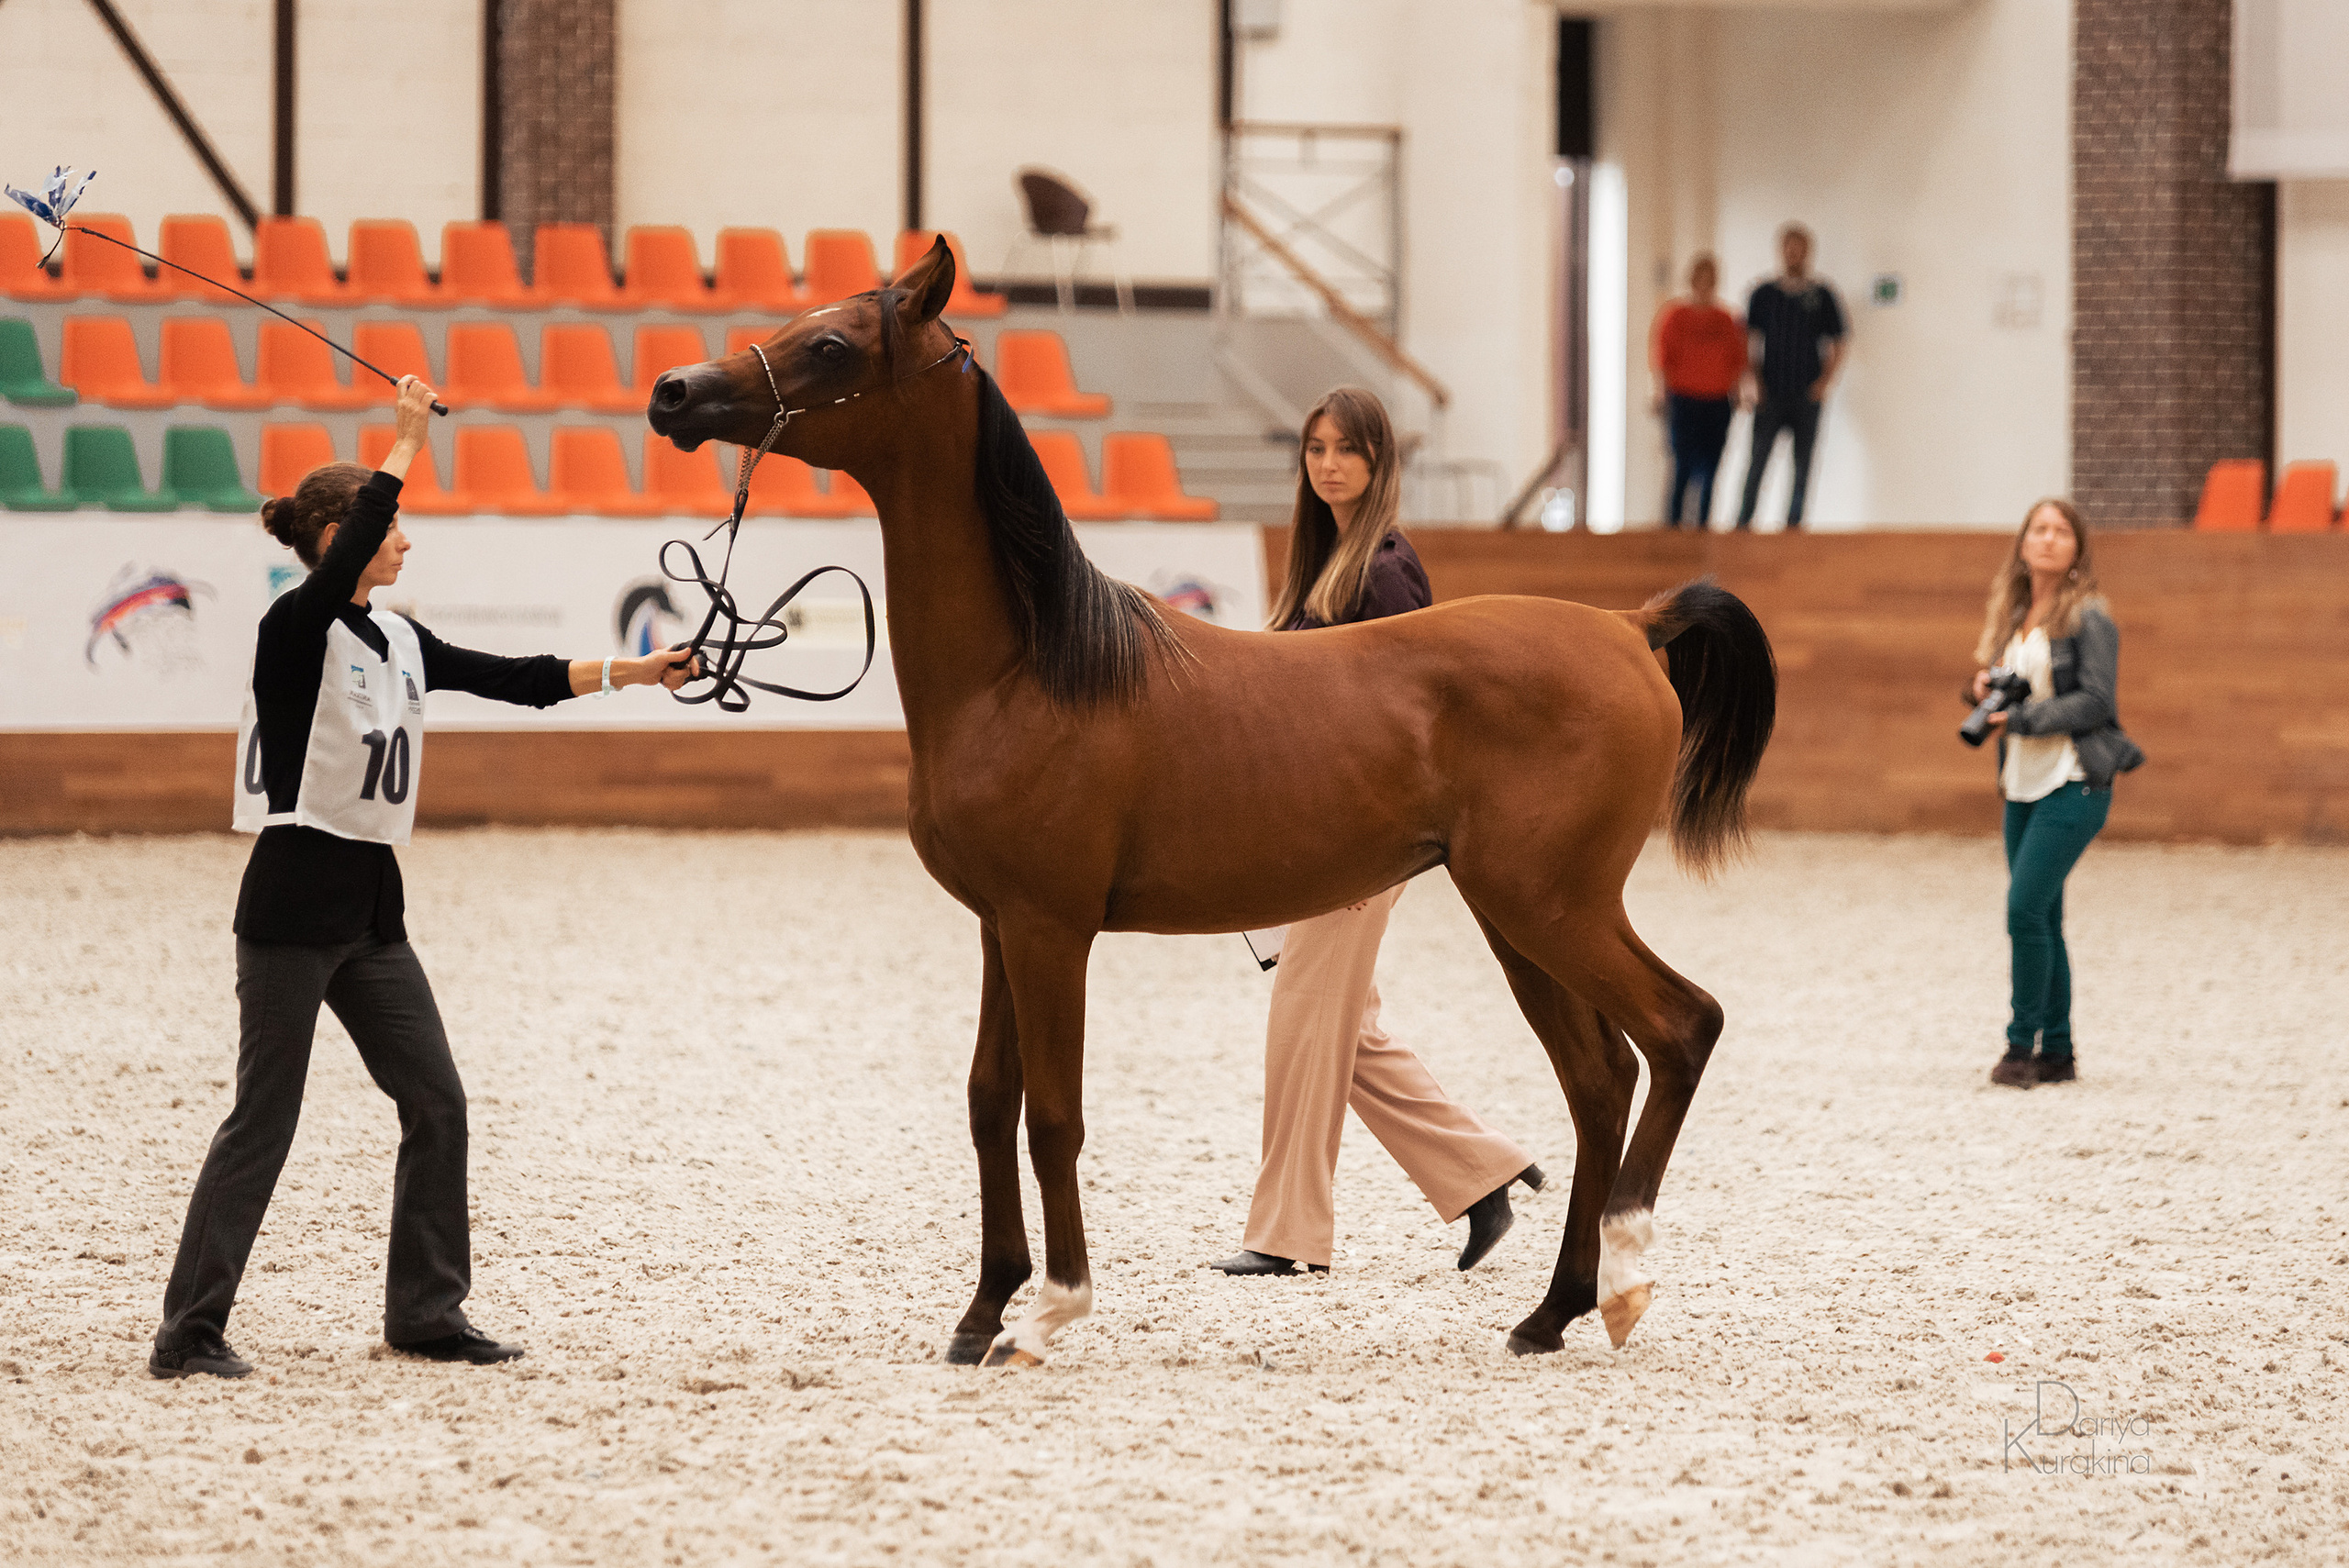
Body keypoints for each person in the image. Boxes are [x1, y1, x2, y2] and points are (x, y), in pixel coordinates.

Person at [150, 376, 697, 1379]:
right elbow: (356, 547)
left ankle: (427, 1313)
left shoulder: (400, 638)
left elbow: (520, 677)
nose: (406, 543)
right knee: (263, 1120)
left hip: (370, 910)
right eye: (390, 527)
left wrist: (639, 670)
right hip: (289, 904)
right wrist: (403, 440)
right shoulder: (293, 630)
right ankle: (188, 1328)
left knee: (436, 1100)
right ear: (333, 534)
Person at [1208, 386, 1543, 1279]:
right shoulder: (1321, 561)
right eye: (1315, 447)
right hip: (1314, 830)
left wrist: (1364, 838)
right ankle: (1481, 1175)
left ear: (1377, 461)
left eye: (1346, 449)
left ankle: (1287, 1236)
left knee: (1304, 1016)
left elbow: (1409, 726)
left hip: (1358, 836)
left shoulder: (1384, 571)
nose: (1328, 463)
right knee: (1345, 1027)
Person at [1965, 499, 2143, 1090]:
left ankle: (2019, 1048)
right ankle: (2060, 1051)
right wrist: (1986, 690)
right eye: (2038, 530)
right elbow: (2013, 697)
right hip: (2020, 780)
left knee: (2022, 909)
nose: (2048, 540)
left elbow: (2097, 702)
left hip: (2074, 778)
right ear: (2022, 544)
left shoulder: (2089, 617)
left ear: (2077, 548)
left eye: (2061, 531)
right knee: (2044, 914)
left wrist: (2020, 719)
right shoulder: (2014, 615)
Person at [1735, 223, 1847, 530]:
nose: (1793, 254)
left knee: (1802, 467)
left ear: (1808, 252)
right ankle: (1743, 525)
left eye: (1799, 248)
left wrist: (1824, 383)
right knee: (1757, 463)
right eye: (1788, 247)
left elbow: (1839, 341)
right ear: (1781, 250)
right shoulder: (1763, 294)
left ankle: (1793, 529)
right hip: (1770, 392)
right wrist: (1752, 381)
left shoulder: (1822, 295)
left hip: (1805, 395)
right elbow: (1748, 340)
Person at [1649, 253, 1745, 528]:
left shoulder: (1726, 320)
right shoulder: (1675, 316)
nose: (1704, 286)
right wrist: (1660, 393)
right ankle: (1673, 527)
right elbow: (1662, 359)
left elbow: (1736, 361)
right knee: (1682, 467)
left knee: (1710, 468)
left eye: (1709, 280)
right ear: (1692, 281)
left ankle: (1703, 528)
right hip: (1684, 400)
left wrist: (1737, 393)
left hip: (1717, 401)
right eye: (1699, 280)